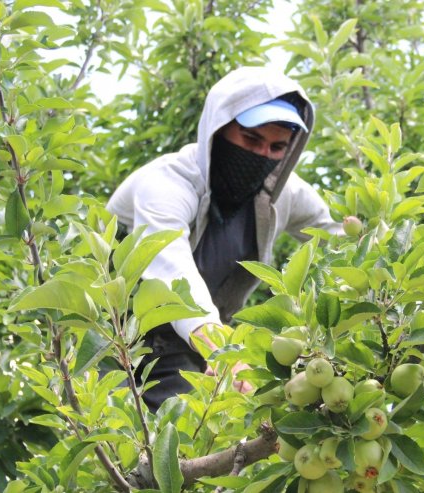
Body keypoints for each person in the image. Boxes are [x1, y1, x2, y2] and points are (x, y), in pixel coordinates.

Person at [106, 66, 341, 411]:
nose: (262, 155)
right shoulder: (166, 182)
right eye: (251, 140)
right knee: (119, 441)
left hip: (191, 342)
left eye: (277, 147)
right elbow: (170, 266)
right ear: (217, 131)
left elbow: (335, 233)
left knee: (214, 434)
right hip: (116, 336)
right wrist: (219, 346)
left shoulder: (279, 193)